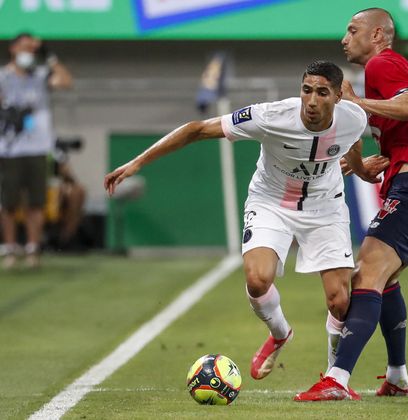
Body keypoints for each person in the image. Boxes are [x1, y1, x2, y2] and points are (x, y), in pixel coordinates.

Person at [104, 61, 388, 384]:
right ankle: (279, 333)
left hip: (325, 206)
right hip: (271, 202)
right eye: (306, 90)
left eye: (322, 93)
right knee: (257, 279)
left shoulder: (354, 117)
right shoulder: (270, 116)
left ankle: (332, 380)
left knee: (340, 301)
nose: (311, 101)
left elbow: (352, 143)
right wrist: (137, 162)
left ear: (338, 96)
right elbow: (197, 129)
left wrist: (361, 169)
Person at [295, 8, 408, 401]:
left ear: (379, 34)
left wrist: (357, 100)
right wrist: (362, 163)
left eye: (353, 30)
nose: (344, 38)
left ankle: (336, 379)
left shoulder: (384, 64)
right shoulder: (390, 70)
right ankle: (397, 377)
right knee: (385, 279)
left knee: (365, 273)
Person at [0, 32, 73, 268]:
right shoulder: (3, 77)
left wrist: (48, 56)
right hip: (10, 148)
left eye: (32, 50)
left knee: (36, 201)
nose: (28, 53)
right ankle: (10, 249)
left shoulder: (40, 76)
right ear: (13, 48)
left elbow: (65, 81)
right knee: (8, 202)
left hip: (38, 146)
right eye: (24, 48)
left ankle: (33, 248)